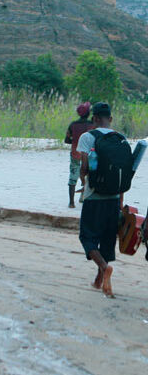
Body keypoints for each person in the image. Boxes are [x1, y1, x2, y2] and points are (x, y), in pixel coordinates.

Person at [77, 101, 123, 298]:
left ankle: (104, 268)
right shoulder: (120, 138)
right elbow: (124, 172)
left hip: (94, 196)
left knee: (87, 237)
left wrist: (82, 180)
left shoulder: (88, 137)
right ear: (110, 119)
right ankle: (99, 280)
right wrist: (120, 201)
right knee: (106, 239)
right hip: (113, 197)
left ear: (94, 119)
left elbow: (84, 167)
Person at [64, 101, 93, 208]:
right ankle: (83, 197)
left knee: (73, 177)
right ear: (89, 113)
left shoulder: (73, 125)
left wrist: (76, 140)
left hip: (75, 153)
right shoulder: (92, 125)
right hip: (88, 154)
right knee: (87, 175)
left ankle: (71, 202)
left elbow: (67, 140)